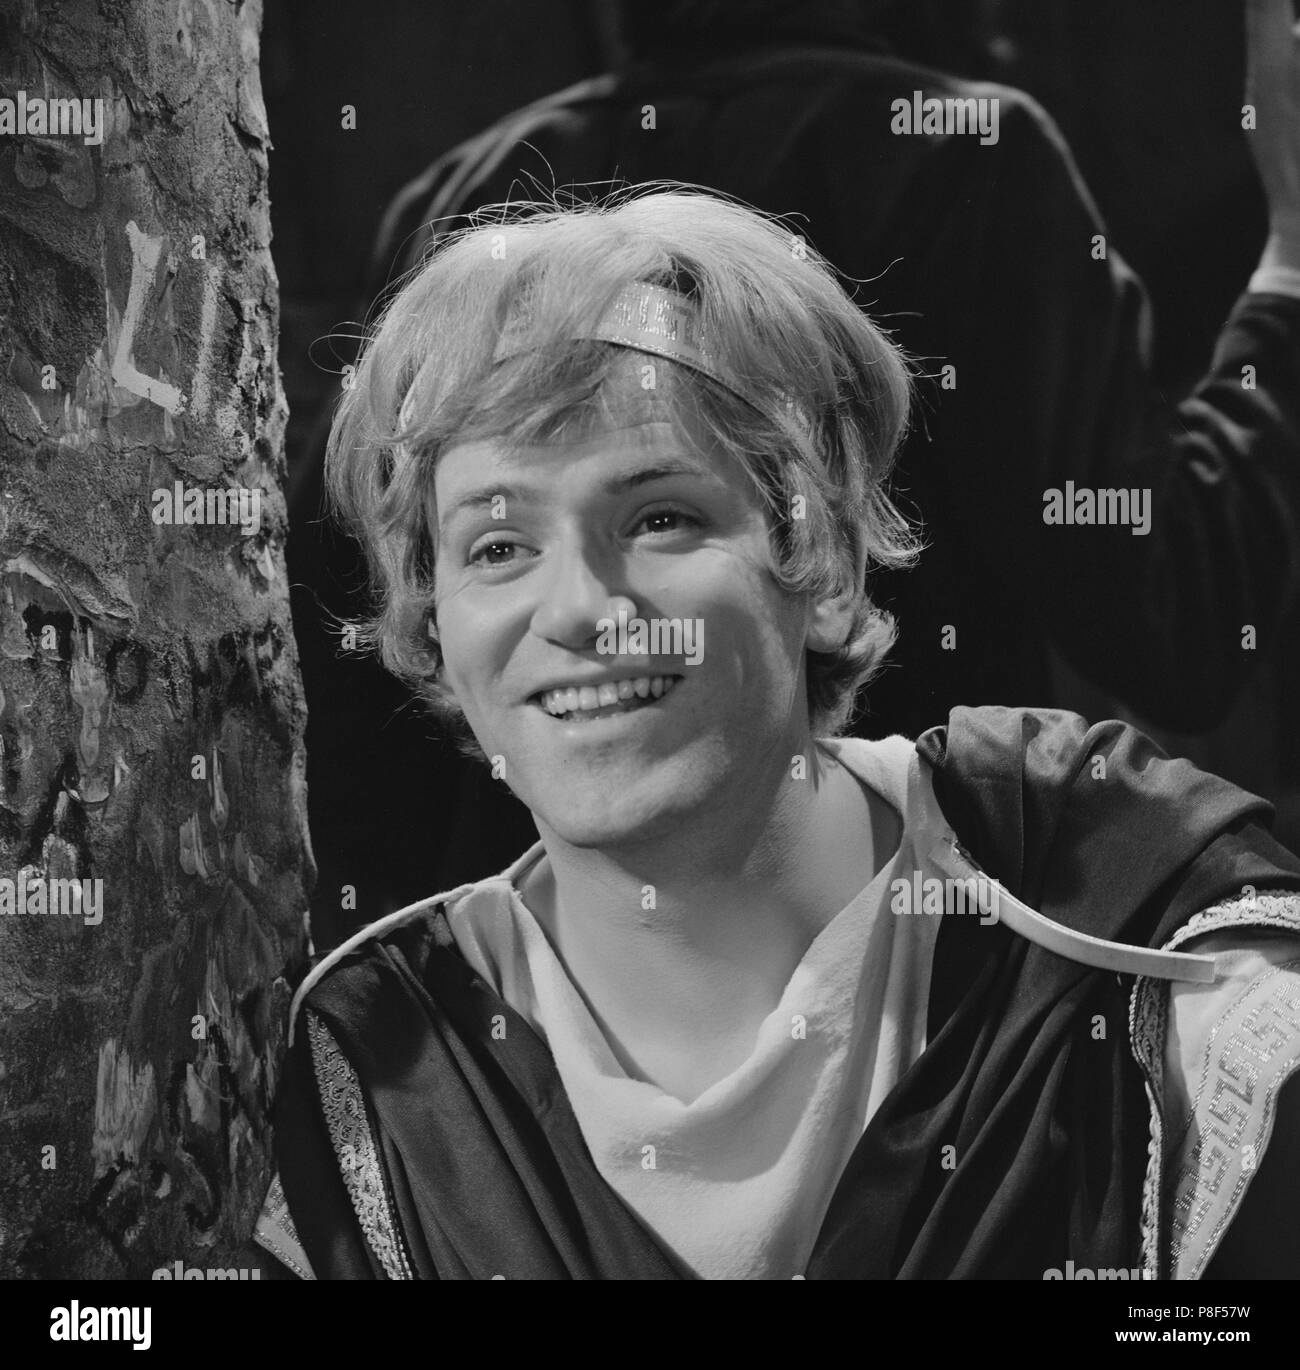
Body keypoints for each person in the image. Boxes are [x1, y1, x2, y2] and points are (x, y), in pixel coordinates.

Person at [252, 190, 1300, 1280]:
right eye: (498, 546)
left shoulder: (1108, 911)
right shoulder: (377, 1083)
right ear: (434, 625)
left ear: (828, 567)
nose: (578, 609)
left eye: (661, 517)